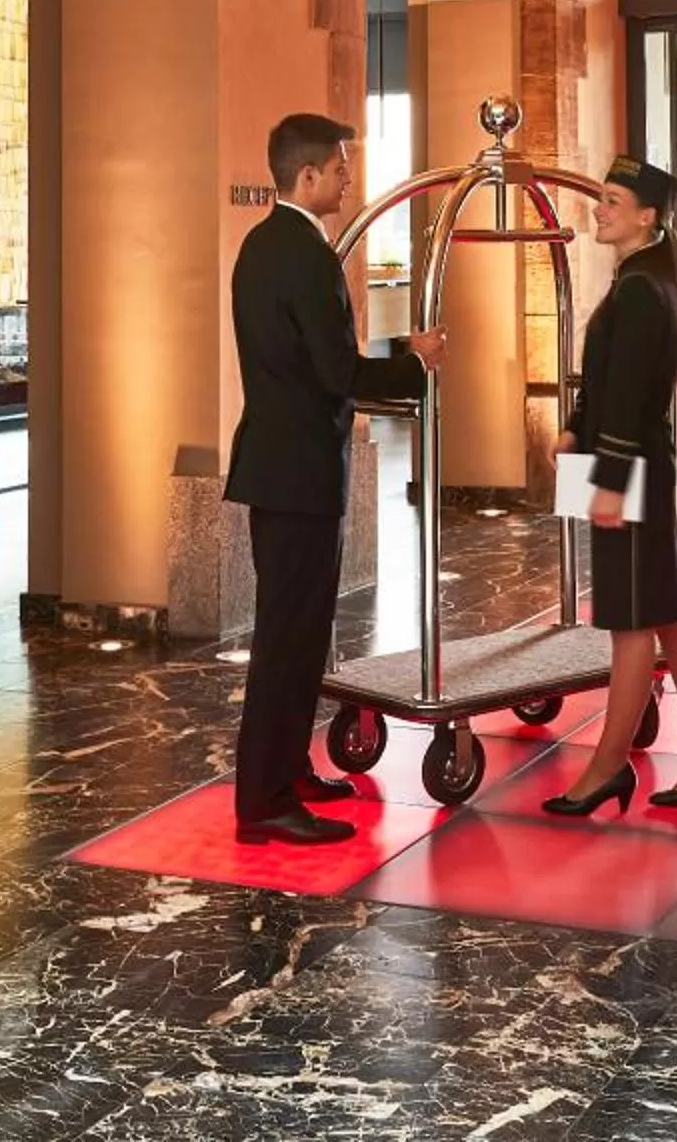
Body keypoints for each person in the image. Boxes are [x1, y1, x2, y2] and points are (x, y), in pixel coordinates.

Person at [225, 114, 446, 844]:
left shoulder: (262, 246)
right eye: (342, 167)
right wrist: (414, 362)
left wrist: (391, 355)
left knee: (301, 633)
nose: (350, 177)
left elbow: (316, 358)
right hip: (294, 476)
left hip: (282, 469)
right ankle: (262, 803)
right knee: (287, 639)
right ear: (308, 175)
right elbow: (336, 370)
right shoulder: (306, 256)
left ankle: (288, 772)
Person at [542, 154, 677, 820]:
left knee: (631, 625)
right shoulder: (640, 278)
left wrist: (608, 480)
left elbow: (626, 396)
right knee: (666, 615)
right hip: (631, 466)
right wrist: (574, 428)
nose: (599, 209)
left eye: (612, 201)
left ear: (647, 217)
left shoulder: (641, 290)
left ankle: (605, 769)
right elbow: (607, 382)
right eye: (601, 198)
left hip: (626, 470)